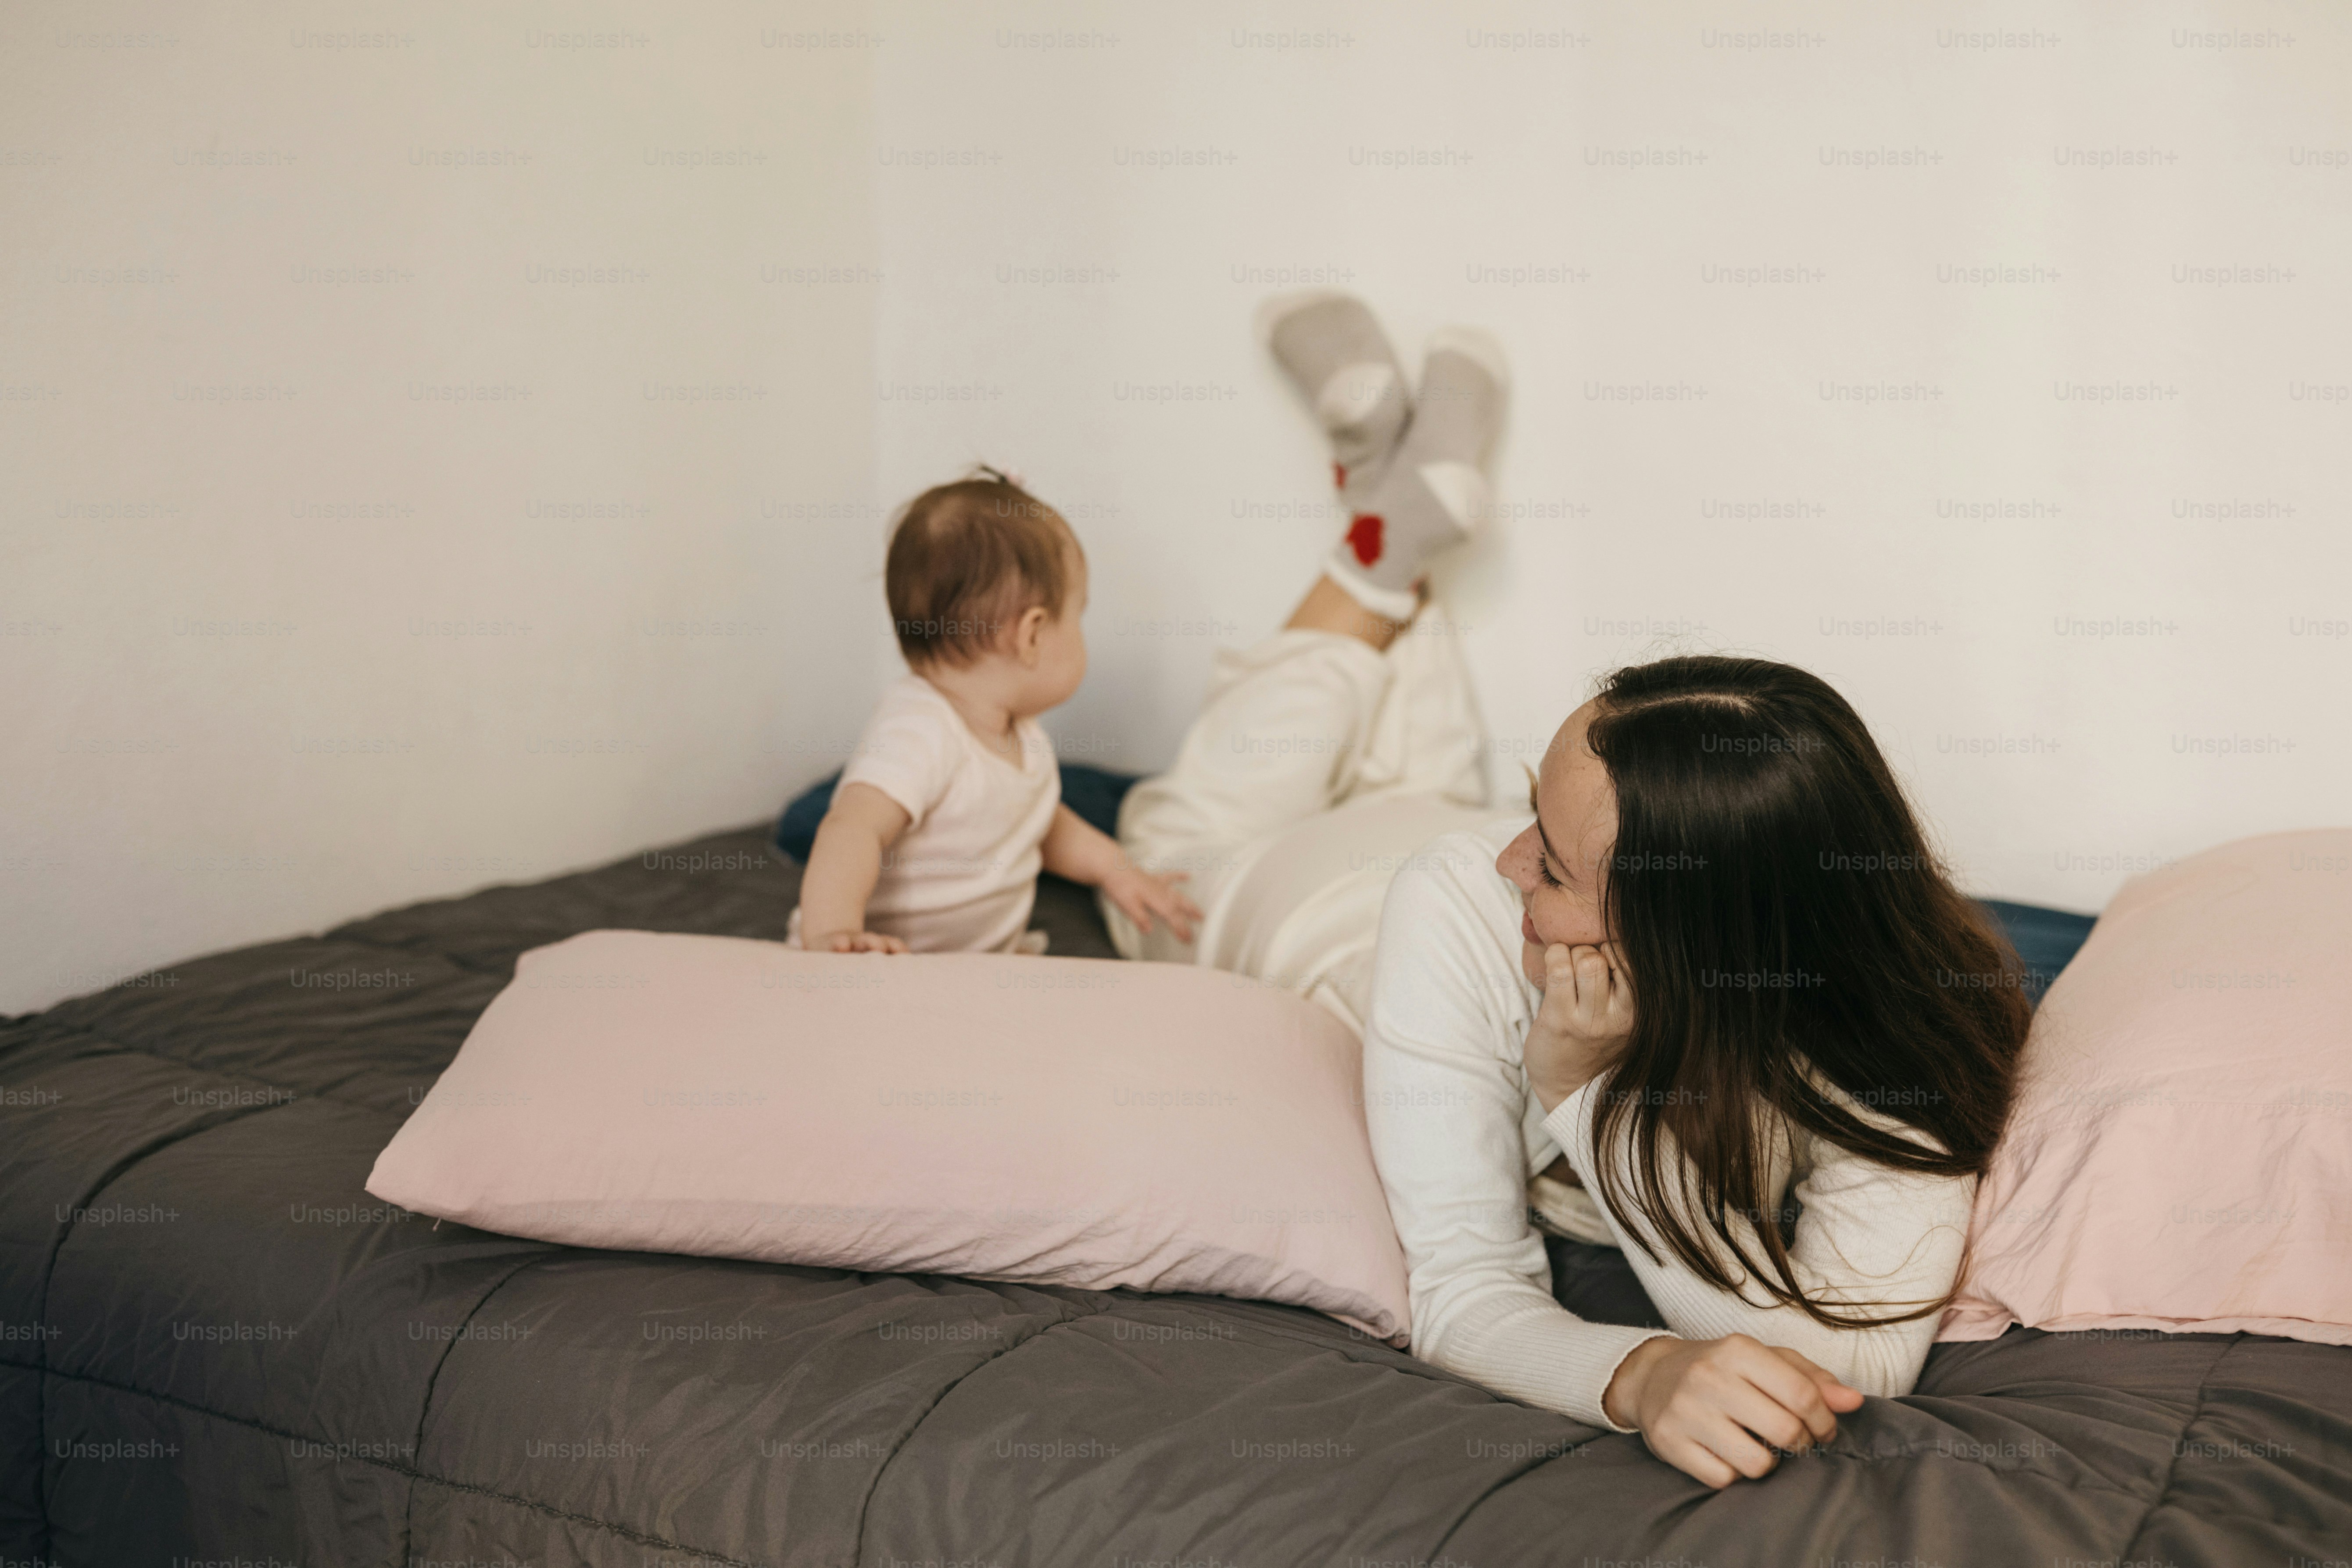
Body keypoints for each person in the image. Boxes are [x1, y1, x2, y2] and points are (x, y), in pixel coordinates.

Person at [1106, 294, 2032, 1489]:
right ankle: (1379, 539)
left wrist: (1584, 1094)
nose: (1513, 861)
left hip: (1399, 854)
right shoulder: (1468, 884)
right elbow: (1457, 1288)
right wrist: (1636, 1368)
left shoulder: (1898, 1033)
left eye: (1548, 860)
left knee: (1358, 743)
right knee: (1165, 836)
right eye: (1531, 815)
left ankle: (1392, 506)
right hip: (1283, 896)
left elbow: (1848, 1357)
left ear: (1693, 938)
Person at [791, 473, 1201, 955]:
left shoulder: (1022, 736)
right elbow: (852, 827)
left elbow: (1037, 820)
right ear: (1031, 635)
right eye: (1079, 615)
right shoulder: (919, 729)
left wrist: (1116, 869)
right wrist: (834, 936)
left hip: (976, 970)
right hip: (884, 965)